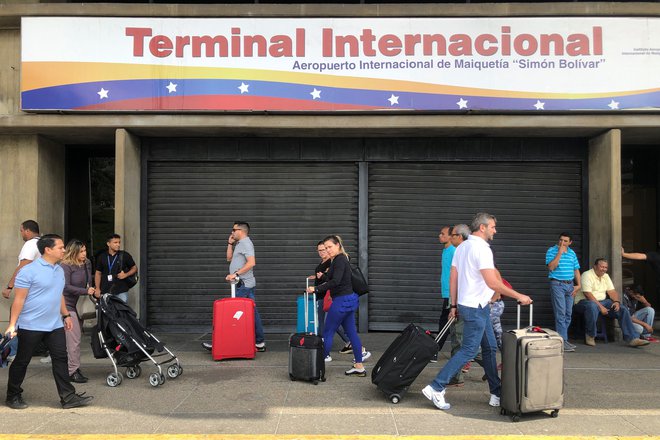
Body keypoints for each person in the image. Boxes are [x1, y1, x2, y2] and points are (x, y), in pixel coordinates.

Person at [422, 213, 532, 411]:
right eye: (492, 227)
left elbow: (453, 278)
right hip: (475, 307)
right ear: (482, 227)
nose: (494, 231)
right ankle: (436, 387)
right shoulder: (482, 249)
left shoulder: (462, 247)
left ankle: (496, 393)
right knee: (470, 350)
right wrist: (518, 295)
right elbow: (492, 282)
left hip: (473, 306)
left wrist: (453, 306)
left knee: (489, 348)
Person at [5, 234, 93, 410]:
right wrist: (12, 324)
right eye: (60, 247)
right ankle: (13, 395)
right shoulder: (28, 271)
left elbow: (58, 294)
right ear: (48, 250)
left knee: (61, 358)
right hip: (31, 325)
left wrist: (66, 315)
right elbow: (19, 300)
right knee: (22, 360)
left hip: (54, 325)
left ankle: (68, 397)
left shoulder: (59, 270)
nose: (64, 250)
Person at [307, 235, 368, 376]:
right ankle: (359, 366)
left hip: (341, 301)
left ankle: (318, 368)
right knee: (352, 334)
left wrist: (315, 289)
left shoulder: (340, 260)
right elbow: (334, 278)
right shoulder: (338, 260)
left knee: (328, 333)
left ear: (338, 245)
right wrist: (322, 277)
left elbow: (336, 282)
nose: (328, 250)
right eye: (326, 247)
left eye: (330, 247)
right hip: (349, 300)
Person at [574, 258, 649, 348]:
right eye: (602, 267)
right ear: (594, 266)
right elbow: (588, 294)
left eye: (606, 267)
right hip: (584, 302)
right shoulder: (587, 275)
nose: (604, 269)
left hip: (602, 302)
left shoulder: (605, 276)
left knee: (622, 309)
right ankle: (590, 335)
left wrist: (617, 302)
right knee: (592, 305)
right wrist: (601, 307)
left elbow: (612, 292)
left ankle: (632, 339)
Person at [2, 220, 43, 363]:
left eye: (21, 230)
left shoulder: (30, 244)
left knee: (16, 319)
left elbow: (23, 265)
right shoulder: (44, 244)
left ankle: (11, 352)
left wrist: (9, 286)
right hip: (40, 289)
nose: (21, 234)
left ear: (27, 230)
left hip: (28, 289)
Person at [310, 240, 354, 361]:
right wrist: (317, 277)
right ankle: (352, 344)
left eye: (324, 249)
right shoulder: (325, 261)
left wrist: (323, 276)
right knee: (331, 323)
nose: (322, 252)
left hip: (328, 297)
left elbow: (334, 279)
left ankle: (324, 352)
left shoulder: (334, 260)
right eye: (319, 250)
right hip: (321, 296)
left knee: (327, 325)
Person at [226, 222, 266, 352]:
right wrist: (230, 243)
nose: (231, 232)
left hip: (244, 284)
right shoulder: (239, 244)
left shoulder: (246, 243)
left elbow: (251, 263)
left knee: (232, 312)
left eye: (233, 230)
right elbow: (229, 258)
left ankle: (226, 340)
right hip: (241, 283)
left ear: (241, 231)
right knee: (252, 312)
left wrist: (235, 274)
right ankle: (259, 342)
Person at [61, 239, 97, 383]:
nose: (84, 254)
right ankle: (72, 371)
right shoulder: (65, 266)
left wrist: (90, 289)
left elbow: (89, 281)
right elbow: (65, 287)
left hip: (79, 303)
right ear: (73, 252)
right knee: (73, 340)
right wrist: (85, 290)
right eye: (81, 251)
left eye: (85, 250)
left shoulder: (87, 263)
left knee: (73, 339)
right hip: (66, 304)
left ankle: (70, 368)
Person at [545, 232, 581, 352]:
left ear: (570, 242)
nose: (562, 243)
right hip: (557, 284)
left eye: (565, 241)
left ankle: (562, 340)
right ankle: (563, 341)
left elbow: (576, 270)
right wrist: (559, 253)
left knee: (568, 313)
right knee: (560, 313)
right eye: (561, 240)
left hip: (569, 285)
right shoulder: (552, 250)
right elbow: (551, 267)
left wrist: (579, 285)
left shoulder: (572, 253)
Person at [446, 224, 470, 387]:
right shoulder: (463, 252)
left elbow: (457, 281)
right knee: (462, 340)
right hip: (461, 303)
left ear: (460, 236)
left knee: (459, 340)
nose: (450, 237)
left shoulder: (462, 252)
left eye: (452, 235)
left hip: (463, 304)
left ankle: (455, 377)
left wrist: (454, 306)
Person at [94, 233, 137, 303]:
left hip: (121, 290)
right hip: (105, 290)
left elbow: (134, 268)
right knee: (107, 313)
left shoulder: (124, 255)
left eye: (119, 242)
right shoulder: (102, 256)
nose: (118, 245)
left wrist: (126, 275)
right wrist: (97, 289)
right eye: (115, 242)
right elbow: (98, 273)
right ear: (108, 244)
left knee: (121, 312)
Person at [433, 225, 455, 361]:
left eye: (442, 234)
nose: (439, 236)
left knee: (444, 322)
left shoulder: (454, 251)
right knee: (447, 323)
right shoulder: (446, 250)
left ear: (451, 236)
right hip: (446, 292)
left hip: (451, 294)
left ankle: (434, 350)